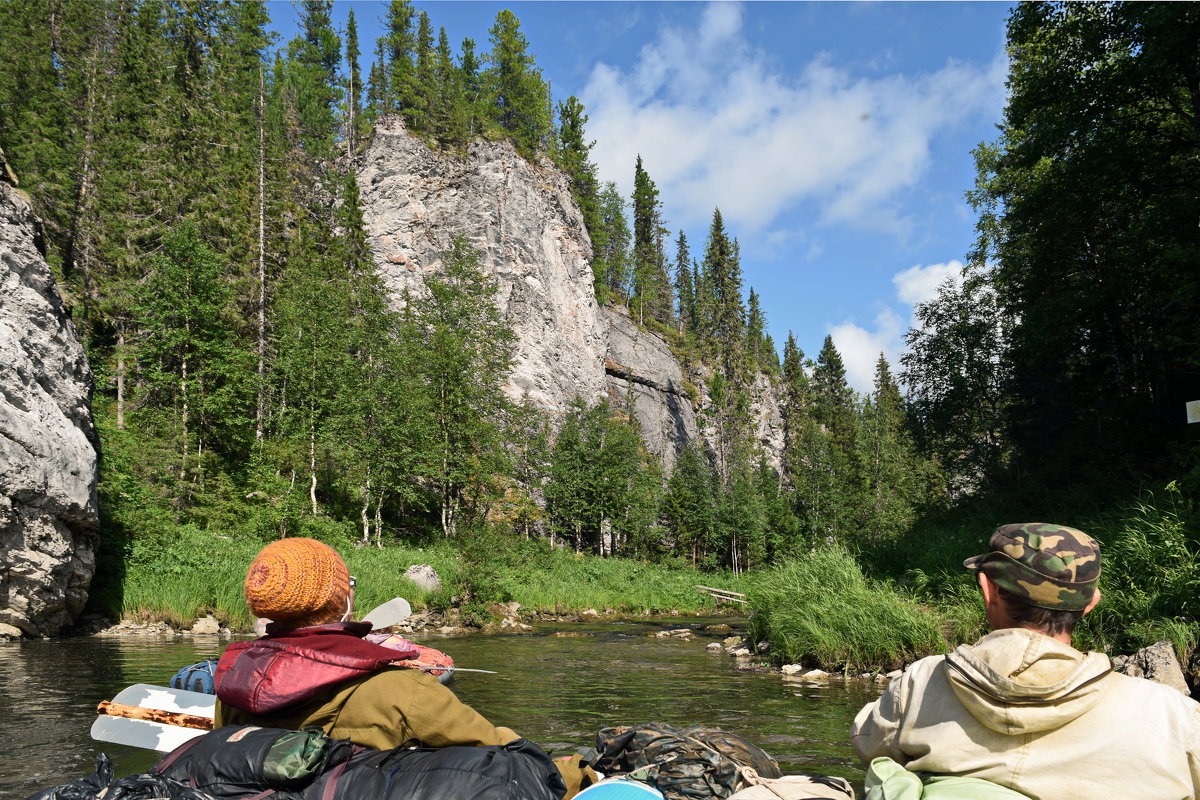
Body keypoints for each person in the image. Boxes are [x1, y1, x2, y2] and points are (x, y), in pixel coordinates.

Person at [213, 537, 597, 797]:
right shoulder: (403, 691)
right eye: (348, 584)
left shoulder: (232, 685)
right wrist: (584, 774)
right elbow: (512, 764)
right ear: (342, 599)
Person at [851, 523, 1200, 799]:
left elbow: (869, 746)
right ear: (1091, 602)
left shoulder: (921, 682)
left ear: (988, 590)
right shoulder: (1174, 715)